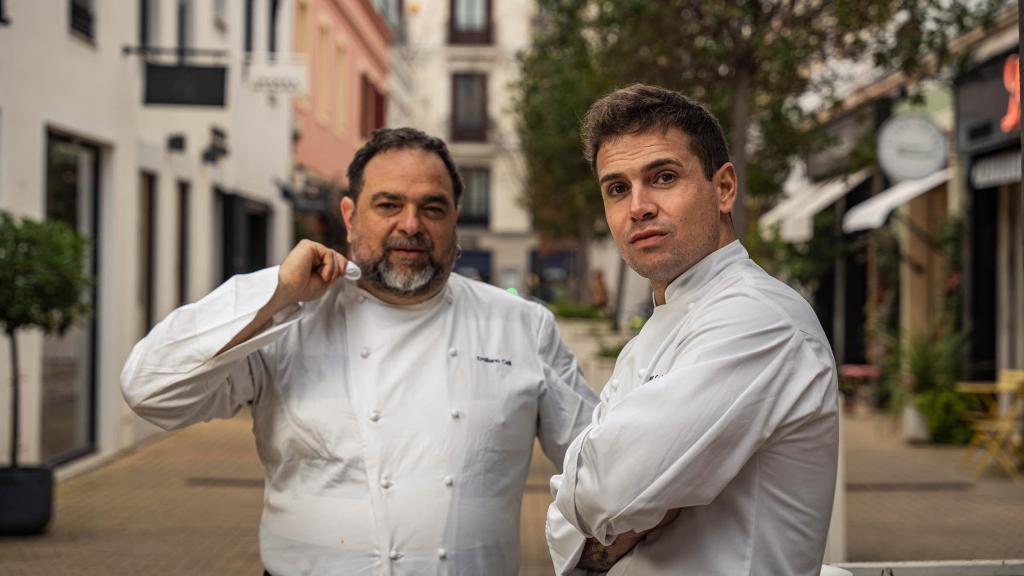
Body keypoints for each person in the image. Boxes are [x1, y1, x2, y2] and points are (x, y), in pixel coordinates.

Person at [121, 127, 598, 576]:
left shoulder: (521, 326)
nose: (410, 225)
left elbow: (598, 468)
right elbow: (150, 390)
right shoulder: (291, 321)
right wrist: (277, 292)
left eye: (432, 208)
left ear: (455, 217)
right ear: (350, 217)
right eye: (389, 205)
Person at [546, 84, 839, 575]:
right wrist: (634, 505)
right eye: (617, 188)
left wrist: (612, 502)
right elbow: (576, 511)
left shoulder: (759, 318)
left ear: (723, 188)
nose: (638, 206)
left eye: (663, 177)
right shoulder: (656, 330)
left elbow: (604, 489)